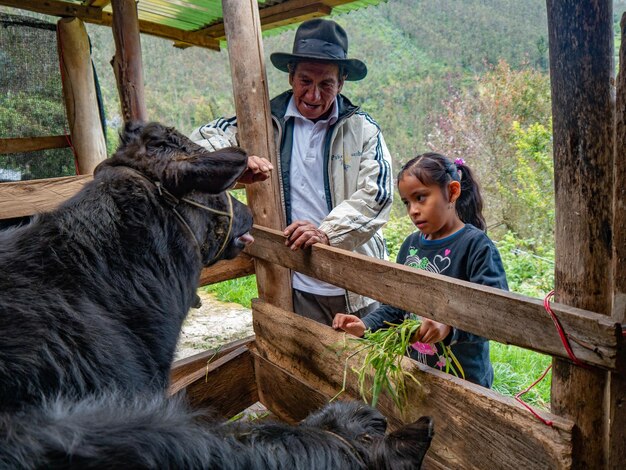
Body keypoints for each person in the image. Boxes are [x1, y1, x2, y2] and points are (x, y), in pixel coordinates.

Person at [190, 19, 393, 325]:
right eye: (305, 81)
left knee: (359, 368)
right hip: (295, 282)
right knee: (306, 363)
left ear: (342, 82)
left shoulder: (362, 129)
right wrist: (234, 163)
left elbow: (378, 194)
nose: (313, 95)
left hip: (357, 283)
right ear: (291, 77)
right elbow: (201, 140)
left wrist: (327, 232)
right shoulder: (264, 122)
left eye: (325, 84)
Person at [332, 153, 508, 388]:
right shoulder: (410, 246)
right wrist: (364, 325)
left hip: (464, 380)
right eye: (407, 202)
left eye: (421, 198)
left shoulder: (476, 247)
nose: (413, 210)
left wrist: (449, 328)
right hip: (415, 373)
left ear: (452, 192)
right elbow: (395, 307)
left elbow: (497, 314)